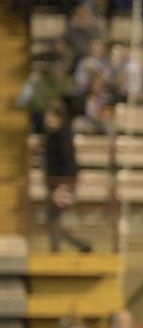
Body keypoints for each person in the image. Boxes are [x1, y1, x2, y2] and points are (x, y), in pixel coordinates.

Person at [42, 105, 91, 253]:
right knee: (52, 218)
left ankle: (60, 249)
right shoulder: (52, 135)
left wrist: (64, 185)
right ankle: (77, 245)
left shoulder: (62, 136)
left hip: (62, 184)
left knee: (52, 218)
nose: (47, 120)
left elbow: (68, 161)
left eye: (50, 116)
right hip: (54, 183)